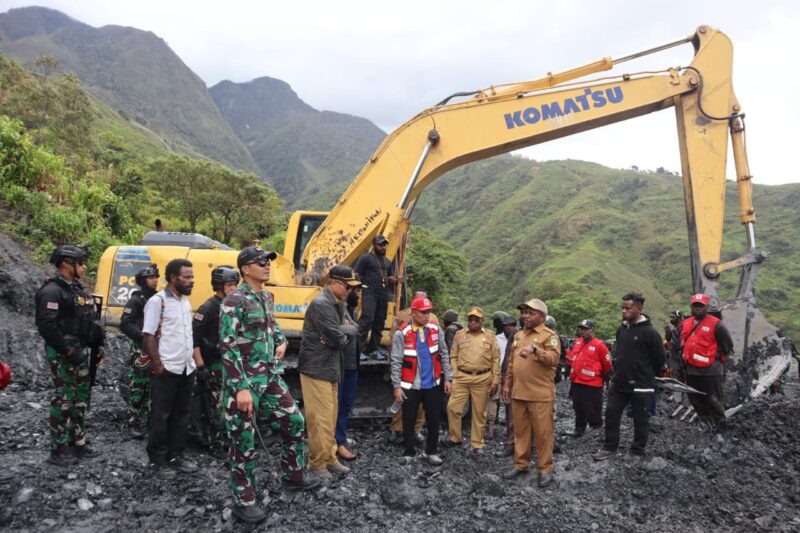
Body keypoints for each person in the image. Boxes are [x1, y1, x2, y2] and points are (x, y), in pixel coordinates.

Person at [220, 246, 319, 524]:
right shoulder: (233, 300)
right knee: (243, 440)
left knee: (295, 421)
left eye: (267, 261)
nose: (266, 265)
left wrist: (282, 340)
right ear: (245, 269)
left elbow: (271, 326)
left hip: (270, 376)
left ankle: (293, 475)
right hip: (245, 381)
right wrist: (239, 387)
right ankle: (244, 500)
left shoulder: (266, 296)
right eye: (260, 262)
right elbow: (227, 346)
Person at [35, 245, 105, 466]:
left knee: (80, 398)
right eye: (81, 263)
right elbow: (46, 326)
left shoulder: (76, 290)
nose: (84, 268)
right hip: (63, 350)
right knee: (64, 398)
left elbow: (89, 321)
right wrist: (66, 351)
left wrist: (97, 347)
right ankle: (59, 447)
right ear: (66, 263)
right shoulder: (52, 291)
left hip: (81, 350)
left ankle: (78, 441)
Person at [299, 265, 361, 479]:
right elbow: (339, 339)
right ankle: (317, 464)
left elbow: (353, 328)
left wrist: (340, 332)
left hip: (333, 367)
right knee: (320, 420)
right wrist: (339, 333)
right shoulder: (321, 304)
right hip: (316, 369)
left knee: (331, 417)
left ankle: (330, 458)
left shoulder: (339, 303)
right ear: (333, 282)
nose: (349, 291)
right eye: (346, 286)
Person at [142, 258, 198, 473]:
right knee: (160, 416)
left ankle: (176, 456)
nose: (192, 281)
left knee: (181, 415)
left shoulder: (185, 301)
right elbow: (148, 335)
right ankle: (157, 459)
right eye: (187, 277)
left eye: (192, 276)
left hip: (186, 368)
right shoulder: (158, 301)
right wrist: (157, 364)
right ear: (174, 278)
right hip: (166, 369)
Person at [593, 293, 664, 461]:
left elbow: (659, 359)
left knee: (641, 419)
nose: (624, 311)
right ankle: (610, 447)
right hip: (620, 383)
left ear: (639, 309)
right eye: (623, 308)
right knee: (611, 413)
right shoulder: (622, 329)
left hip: (642, 384)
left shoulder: (650, 332)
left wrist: (644, 374)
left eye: (628, 308)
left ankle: (637, 451)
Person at [502, 299, 560, 487]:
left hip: (540, 395)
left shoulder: (549, 336)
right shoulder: (518, 335)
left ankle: (545, 469)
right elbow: (511, 362)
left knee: (543, 434)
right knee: (521, 432)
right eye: (524, 313)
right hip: (519, 393)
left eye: (531, 313)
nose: (525, 316)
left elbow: (553, 359)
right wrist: (507, 385)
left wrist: (536, 349)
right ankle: (521, 464)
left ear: (542, 316)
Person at [390, 296, 452, 465]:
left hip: (432, 383)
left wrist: (448, 378)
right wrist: (397, 386)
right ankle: (409, 451)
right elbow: (395, 361)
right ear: (413, 313)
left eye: (429, 312)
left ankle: (431, 451)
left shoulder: (435, 329)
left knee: (434, 419)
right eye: (423, 312)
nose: (427, 315)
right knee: (408, 420)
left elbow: (444, 353)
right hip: (410, 385)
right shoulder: (401, 334)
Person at [190, 265, 239, 447]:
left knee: (228, 403)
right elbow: (193, 339)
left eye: (235, 284)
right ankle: (215, 442)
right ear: (219, 286)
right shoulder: (208, 308)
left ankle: (224, 438)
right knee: (216, 406)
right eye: (229, 285)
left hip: (227, 362)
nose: (233, 289)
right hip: (212, 363)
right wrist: (201, 365)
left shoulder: (230, 306)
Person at [444, 306, 500, 452]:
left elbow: (495, 359)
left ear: (482, 321)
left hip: (482, 378)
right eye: (470, 319)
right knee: (452, 408)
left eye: (476, 319)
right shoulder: (459, 335)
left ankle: (477, 443)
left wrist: (495, 380)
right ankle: (455, 438)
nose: (473, 322)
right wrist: (455, 373)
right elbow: (453, 355)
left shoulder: (490, 336)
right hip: (461, 378)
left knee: (479, 412)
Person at [681, 293, 733, 432]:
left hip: (711, 371)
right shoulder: (686, 323)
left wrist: (713, 357)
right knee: (695, 399)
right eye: (695, 305)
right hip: (691, 370)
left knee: (714, 400)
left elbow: (728, 346)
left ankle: (721, 429)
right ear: (691, 306)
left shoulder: (716, 324)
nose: (697, 308)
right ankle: (706, 425)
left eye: (701, 306)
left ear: (706, 307)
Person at [388, 289, 436, 440]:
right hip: (406, 364)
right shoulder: (401, 315)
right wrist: (392, 361)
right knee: (401, 397)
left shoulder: (433, 318)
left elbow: (436, 341)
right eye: (418, 299)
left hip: (425, 367)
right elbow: (393, 338)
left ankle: (417, 429)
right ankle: (396, 428)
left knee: (421, 403)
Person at [120, 263, 159, 439]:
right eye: (151, 278)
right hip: (141, 349)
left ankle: (150, 420)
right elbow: (125, 323)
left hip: (158, 348)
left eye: (156, 277)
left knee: (154, 386)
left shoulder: (158, 299)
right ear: (143, 281)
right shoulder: (136, 300)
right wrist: (143, 338)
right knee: (138, 384)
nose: (155, 280)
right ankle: (133, 421)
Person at [355, 234, 399, 358]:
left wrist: (397, 280)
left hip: (383, 294)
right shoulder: (365, 258)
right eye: (380, 245)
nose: (383, 247)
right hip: (369, 292)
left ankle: (373, 349)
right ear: (374, 245)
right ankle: (358, 349)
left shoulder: (387, 261)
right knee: (367, 319)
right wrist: (359, 287)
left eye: (384, 245)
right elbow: (357, 274)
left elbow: (390, 279)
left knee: (380, 321)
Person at [566, 319, 611, 437]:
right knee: (578, 407)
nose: (583, 331)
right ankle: (579, 429)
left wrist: (601, 374)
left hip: (592, 383)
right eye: (581, 329)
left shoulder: (599, 345)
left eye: (586, 329)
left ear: (592, 330)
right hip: (576, 381)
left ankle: (596, 430)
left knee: (593, 408)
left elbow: (607, 363)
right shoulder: (578, 342)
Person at [337, 273, 362, 461]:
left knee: (346, 404)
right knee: (337, 405)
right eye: (356, 290)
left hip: (352, 364)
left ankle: (341, 438)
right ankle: (337, 442)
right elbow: (348, 330)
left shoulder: (352, 310)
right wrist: (352, 328)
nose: (358, 294)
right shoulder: (339, 308)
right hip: (341, 365)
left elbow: (352, 329)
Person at [499, 314, 519, 457]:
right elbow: (508, 359)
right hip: (509, 379)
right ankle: (512, 443)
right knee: (510, 414)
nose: (507, 328)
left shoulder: (517, 335)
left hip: (517, 381)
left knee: (513, 415)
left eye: (509, 326)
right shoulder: (512, 336)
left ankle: (512, 445)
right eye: (505, 326)